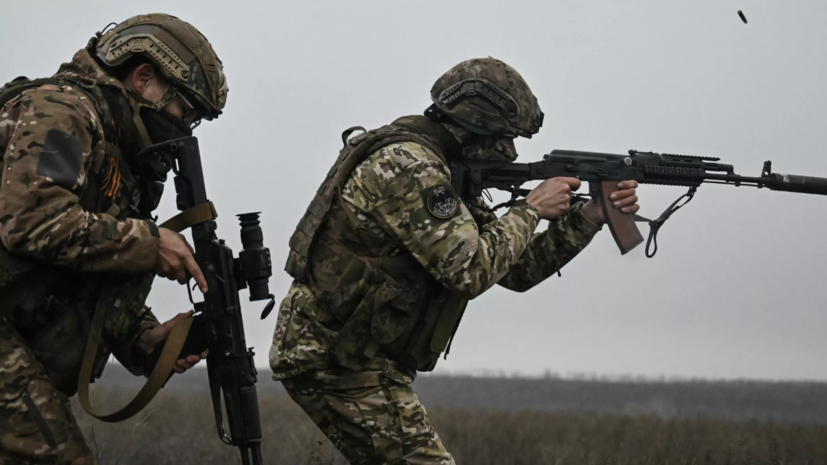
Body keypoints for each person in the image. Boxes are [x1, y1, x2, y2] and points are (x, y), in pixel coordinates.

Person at [271, 57, 641, 464]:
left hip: (354, 356)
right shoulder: (410, 167)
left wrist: (588, 219)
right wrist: (530, 210)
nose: (511, 151)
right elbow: (470, 271)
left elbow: (515, 271)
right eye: (504, 138)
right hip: (332, 359)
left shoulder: (441, 171)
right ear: (476, 126)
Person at [0, 13, 228, 464]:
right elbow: (31, 220)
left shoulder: (120, 159)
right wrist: (150, 243)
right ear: (144, 78)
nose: (186, 127)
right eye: (186, 109)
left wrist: (143, 338)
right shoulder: (64, 112)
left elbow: (78, 271)